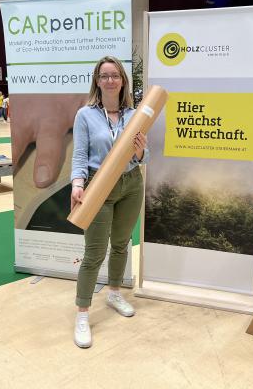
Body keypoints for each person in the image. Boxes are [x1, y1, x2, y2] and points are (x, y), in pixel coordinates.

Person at [70, 56, 148, 348]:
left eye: (115, 75)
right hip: (98, 185)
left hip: (131, 183)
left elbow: (144, 156)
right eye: (105, 76)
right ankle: (82, 313)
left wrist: (140, 151)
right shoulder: (85, 115)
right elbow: (80, 155)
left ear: (123, 80)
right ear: (97, 81)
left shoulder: (135, 114)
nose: (110, 80)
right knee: (94, 252)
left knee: (121, 243)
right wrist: (78, 184)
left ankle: (114, 293)